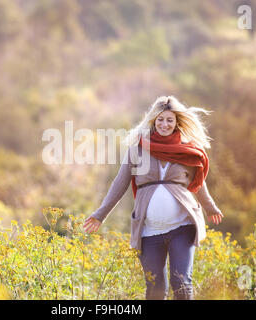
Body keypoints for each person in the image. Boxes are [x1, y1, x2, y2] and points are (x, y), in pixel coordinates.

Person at [83, 95, 224, 300]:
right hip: (149, 231)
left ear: (177, 122)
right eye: (160, 119)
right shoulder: (137, 150)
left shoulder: (188, 151)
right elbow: (119, 184)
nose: (164, 124)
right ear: (153, 121)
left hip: (182, 227)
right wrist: (100, 214)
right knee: (155, 288)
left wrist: (210, 207)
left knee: (181, 281)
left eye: (169, 120)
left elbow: (199, 182)